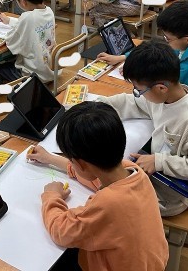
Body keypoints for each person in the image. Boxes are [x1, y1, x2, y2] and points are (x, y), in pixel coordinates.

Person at [32, 102, 168, 271]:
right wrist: (50, 158)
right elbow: (94, 177)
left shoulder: (107, 203)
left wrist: (51, 196)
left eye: (71, 160)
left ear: (81, 164)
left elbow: (61, 231)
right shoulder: (133, 171)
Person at [98, 40, 188, 217]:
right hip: (154, 178)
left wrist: (158, 162)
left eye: (140, 90)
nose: (138, 94)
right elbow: (134, 102)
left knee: (108, 200)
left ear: (161, 88)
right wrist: (99, 106)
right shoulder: (163, 98)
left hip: (170, 197)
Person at [96, 1, 188, 131]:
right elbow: (160, 50)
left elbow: (163, 83)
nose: (166, 41)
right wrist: (125, 57)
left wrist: (138, 72)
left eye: (168, 38)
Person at [0, 0, 56, 84]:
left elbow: (12, 43)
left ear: (22, 2)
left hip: (35, 76)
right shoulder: (49, 11)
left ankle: (21, 92)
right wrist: (9, 21)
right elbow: (33, 26)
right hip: (49, 70)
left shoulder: (27, 17)